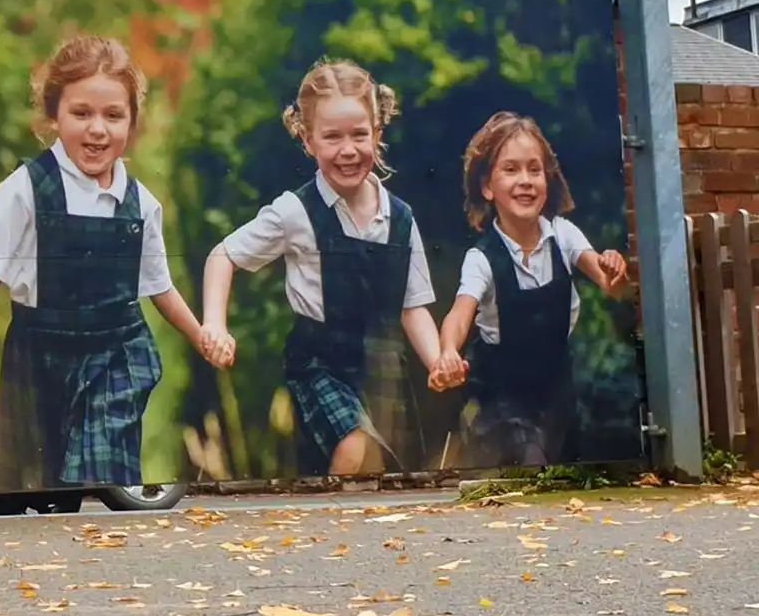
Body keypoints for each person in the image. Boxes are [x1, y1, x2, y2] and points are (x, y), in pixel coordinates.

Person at [0, 35, 211, 492]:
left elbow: (159, 288)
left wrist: (202, 335)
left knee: (98, 471)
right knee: (39, 493)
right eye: (81, 113)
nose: (98, 130)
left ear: (132, 122)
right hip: (40, 358)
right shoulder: (24, 190)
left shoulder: (141, 205)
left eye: (113, 116)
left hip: (116, 356)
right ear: (54, 115)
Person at [200, 58, 462, 477]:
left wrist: (436, 361)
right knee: (355, 448)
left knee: (389, 478)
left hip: (383, 371)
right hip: (319, 365)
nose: (348, 149)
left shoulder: (401, 218)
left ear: (377, 133)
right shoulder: (295, 212)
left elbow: (413, 307)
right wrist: (214, 324)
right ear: (307, 140)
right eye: (332, 137)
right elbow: (223, 255)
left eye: (359, 134)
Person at [436, 111, 628, 467]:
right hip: (500, 402)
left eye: (534, 170)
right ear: (487, 186)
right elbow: (460, 315)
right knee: (529, 460)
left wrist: (614, 270)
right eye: (510, 170)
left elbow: (611, 285)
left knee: (560, 477)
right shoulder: (481, 259)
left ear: (547, 180)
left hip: (557, 393)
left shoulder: (564, 236)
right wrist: (447, 351)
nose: (525, 180)